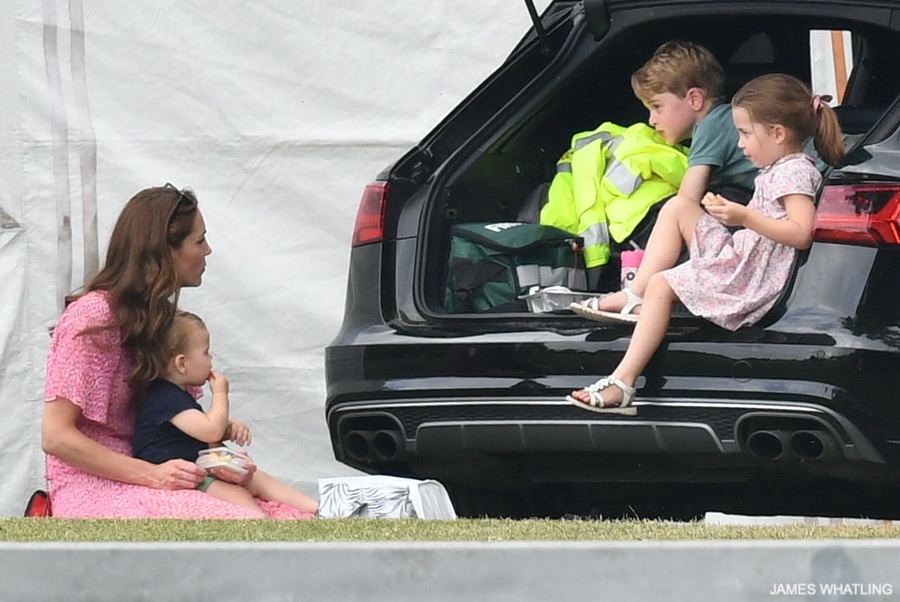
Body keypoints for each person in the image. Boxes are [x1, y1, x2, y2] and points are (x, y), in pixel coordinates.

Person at [568, 73, 845, 411]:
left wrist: (743, 217)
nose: (740, 144)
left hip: (748, 279)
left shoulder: (795, 172)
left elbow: (801, 233)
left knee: (663, 284)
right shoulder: (783, 167)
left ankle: (623, 382)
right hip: (743, 255)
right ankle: (633, 295)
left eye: (745, 133)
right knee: (680, 206)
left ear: (777, 133)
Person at [41, 184, 314, 518]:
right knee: (240, 520)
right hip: (96, 485)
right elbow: (56, 437)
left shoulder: (161, 322)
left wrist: (219, 459)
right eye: (199, 241)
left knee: (283, 513)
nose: (208, 250)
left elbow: (178, 428)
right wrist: (151, 475)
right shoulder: (92, 317)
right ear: (164, 251)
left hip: (162, 470)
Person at [571, 40, 757, 318]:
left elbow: (687, 200)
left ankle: (636, 293)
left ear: (695, 99)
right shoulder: (727, 121)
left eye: (657, 107)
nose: (651, 120)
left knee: (674, 211)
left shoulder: (712, 127)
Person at [133, 311, 318, 516]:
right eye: (206, 352)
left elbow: (197, 429)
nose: (211, 359)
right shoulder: (163, 397)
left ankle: (316, 508)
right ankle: (261, 521)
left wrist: (228, 429)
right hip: (181, 476)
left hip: (198, 466)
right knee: (237, 495)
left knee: (259, 479)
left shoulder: (175, 395)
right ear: (182, 363)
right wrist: (221, 393)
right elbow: (210, 431)